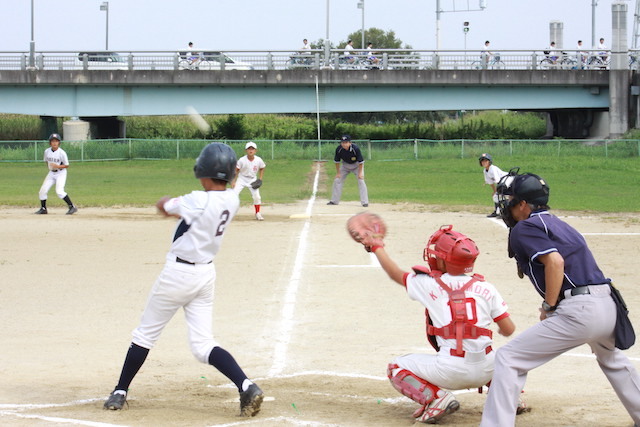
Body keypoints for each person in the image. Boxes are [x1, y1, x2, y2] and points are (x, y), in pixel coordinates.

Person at [103, 143, 264, 417]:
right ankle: (246, 385)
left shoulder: (197, 200)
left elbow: (165, 207)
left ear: (203, 170)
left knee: (145, 334)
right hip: (205, 275)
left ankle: (120, 390)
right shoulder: (232, 199)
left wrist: (166, 201)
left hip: (178, 275)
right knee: (203, 345)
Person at [480, 169, 640, 426]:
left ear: (523, 204)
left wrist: (549, 305)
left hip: (580, 310)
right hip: (608, 306)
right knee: (612, 359)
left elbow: (555, 262)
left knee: (508, 358)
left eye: (510, 201)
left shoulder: (524, 227)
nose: (506, 206)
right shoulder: (561, 224)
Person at [365, 224, 516, 424]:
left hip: (451, 371)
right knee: (502, 357)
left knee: (395, 367)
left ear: (444, 260)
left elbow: (395, 273)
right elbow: (508, 329)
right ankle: (512, 397)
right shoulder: (486, 287)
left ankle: (437, 398)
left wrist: (377, 247)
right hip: (488, 370)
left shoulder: (429, 284)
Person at [35, 133, 78, 215]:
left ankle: (72, 207)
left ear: (59, 143)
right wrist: (51, 168)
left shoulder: (62, 153)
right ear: (50, 143)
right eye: (53, 141)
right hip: (51, 173)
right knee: (42, 190)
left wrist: (57, 166)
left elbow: (67, 165)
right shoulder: (47, 151)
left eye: (56, 141)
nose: (54, 143)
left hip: (61, 173)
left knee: (59, 191)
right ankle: (43, 209)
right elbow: (46, 161)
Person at [327, 135, 369, 207]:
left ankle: (364, 202)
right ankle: (334, 201)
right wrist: (338, 173)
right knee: (337, 180)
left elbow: (361, 162)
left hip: (356, 166)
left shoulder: (355, 149)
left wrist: (360, 173)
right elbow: (337, 162)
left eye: (346, 142)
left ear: (350, 143)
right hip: (345, 165)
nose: (344, 144)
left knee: (361, 181)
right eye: (343, 142)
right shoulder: (339, 149)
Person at [232, 141, 266, 221]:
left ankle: (257, 213)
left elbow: (262, 168)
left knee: (257, 197)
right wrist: (233, 181)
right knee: (234, 195)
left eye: (252, 149)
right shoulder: (242, 160)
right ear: (246, 150)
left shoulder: (258, 160)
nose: (251, 150)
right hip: (242, 179)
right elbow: (236, 170)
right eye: (249, 149)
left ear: (255, 150)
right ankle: (230, 213)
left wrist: (260, 179)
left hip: (252, 179)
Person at [478, 153, 507, 218]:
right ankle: (497, 212)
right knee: (495, 196)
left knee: (501, 197)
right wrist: (494, 191)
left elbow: (498, 181)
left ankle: (504, 213)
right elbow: (490, 182)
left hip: (507, 181)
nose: (484, 162)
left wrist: (497, 191)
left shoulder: (493, 168)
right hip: (502, 184)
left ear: (489, 161)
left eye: (486, 161)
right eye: (482, 161)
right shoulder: (485, 171)